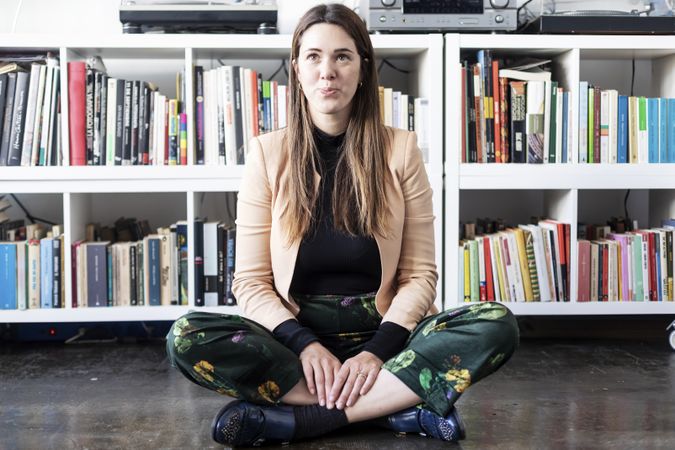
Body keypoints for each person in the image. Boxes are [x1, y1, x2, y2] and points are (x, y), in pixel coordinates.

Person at [166, 3, 519, 446]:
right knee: (186, 336)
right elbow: (252, 283)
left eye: (342, 56)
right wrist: (305, 344)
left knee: (495, 323)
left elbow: (420, 276)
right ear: (296, 69)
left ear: (362, 68)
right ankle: (396, 408)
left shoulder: (401, 151)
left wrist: (377, 353)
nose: (327, 71)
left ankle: (301, 421)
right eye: (313, 56)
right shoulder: (267, 154)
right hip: (296, 336)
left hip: (386, 330)